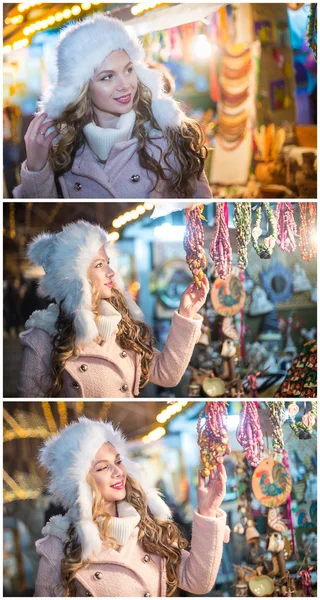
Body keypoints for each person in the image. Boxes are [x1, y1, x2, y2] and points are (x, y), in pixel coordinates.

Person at [13, 14, 212, 200]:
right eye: (107, 77)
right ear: (83, 88)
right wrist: (37, 168)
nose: (125, 85)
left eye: (128, 70)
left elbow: (198, 209)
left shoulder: (172, 138)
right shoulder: (63, 151)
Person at [34, 417, 230, 597]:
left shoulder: (149, 528)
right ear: (79, 484)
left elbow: (197, 582)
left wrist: (207, 510)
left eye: (118, 461)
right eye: (103, 467)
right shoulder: (59, 547)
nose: (118, 471)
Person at [17, 220, 209, 398]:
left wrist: (186, 313)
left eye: (107, 263)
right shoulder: (42, 340)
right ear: (75, 279)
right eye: (99, 265)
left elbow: (165, 374)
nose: (111, 272)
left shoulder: (121, 327)